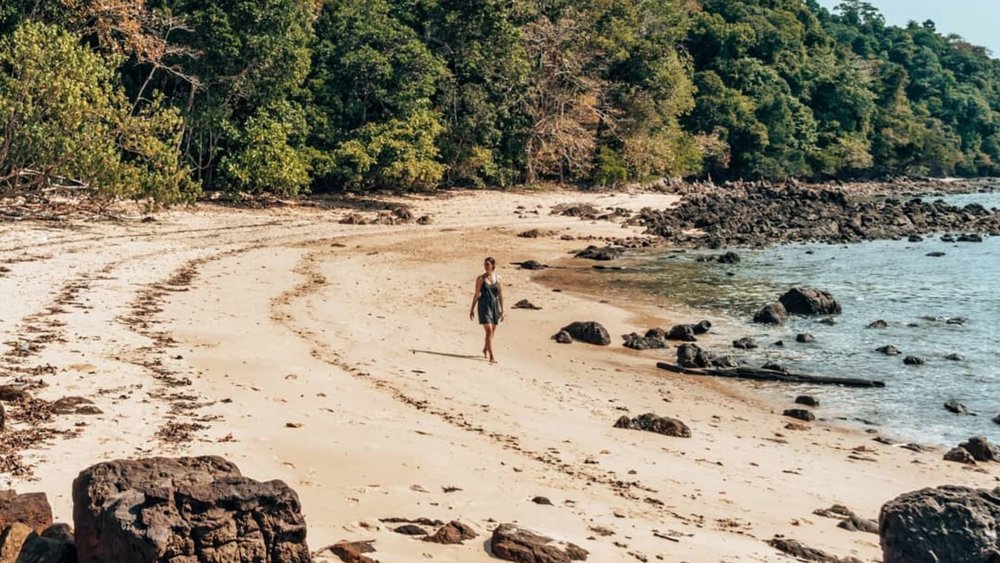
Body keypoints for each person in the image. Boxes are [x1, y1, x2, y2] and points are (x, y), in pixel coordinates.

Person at [469, 256, 505, 363]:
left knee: (491, 332)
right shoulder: (480, 279)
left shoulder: (498, 278)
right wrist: (472, 309)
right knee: (489, 331)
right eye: (485, 264)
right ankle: (492, 356)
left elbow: (500, 295)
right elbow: (476, 294)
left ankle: (485, 348)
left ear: (493, 266)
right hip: (484, 305)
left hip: (494, 306)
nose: (486, 266)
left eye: (488, 264)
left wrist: (503, 310)